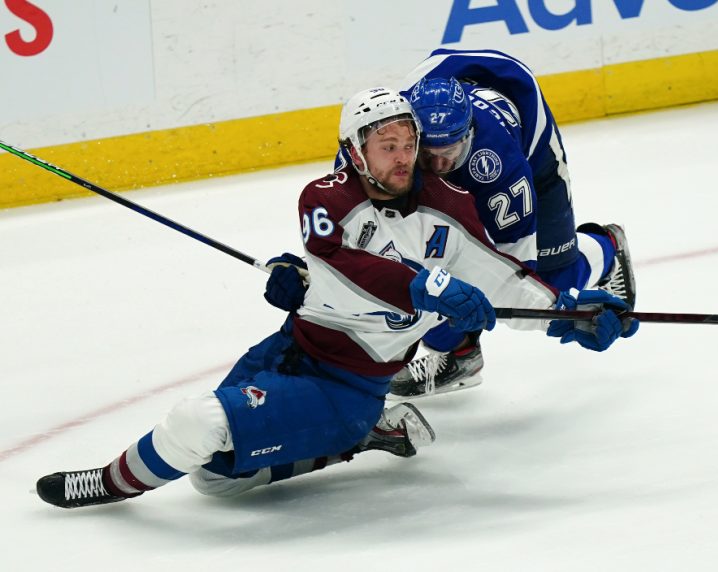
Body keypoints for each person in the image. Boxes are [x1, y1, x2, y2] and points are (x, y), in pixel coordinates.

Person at [35, 87, 637, 509]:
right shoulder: (325, 197)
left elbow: (507, 283)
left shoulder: (449, 212)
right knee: (214, 480)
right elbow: (342, 266)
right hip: (294, 348)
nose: (403, 157)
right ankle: (367, 434)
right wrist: (294, 272)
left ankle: (110, 483)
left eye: (408, 143)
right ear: (356, 151)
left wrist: (573, 312)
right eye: (386, 145)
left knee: (196, 423)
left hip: (347, 384)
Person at [269, 49, 637, 400]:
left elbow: (515, 272)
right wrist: (313, 271)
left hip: (529, 148)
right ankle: (461, 355)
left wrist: (562, 314)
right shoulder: (378, 145)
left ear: (469, 137)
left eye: (452, 152)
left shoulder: (500, 167)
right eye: (428, 153)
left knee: (554, 277)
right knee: (414, 284)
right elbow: (356, 240)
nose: (441, 163)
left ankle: (605, 247)